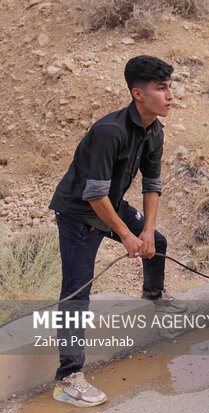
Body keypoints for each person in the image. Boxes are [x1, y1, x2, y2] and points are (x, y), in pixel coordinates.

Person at [48, 55, 186, 407]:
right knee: (76, 292)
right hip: (79, 211)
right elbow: (93, 194)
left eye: (170, 87)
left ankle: (154, 303)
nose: (170, 95)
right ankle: (67, 379)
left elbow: (152, 183)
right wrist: (126, 236)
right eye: (161, 88)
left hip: (110, 203)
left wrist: (147, 232)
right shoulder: (111, 131)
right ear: (138, 93)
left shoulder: (154, 129)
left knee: (159, 243)